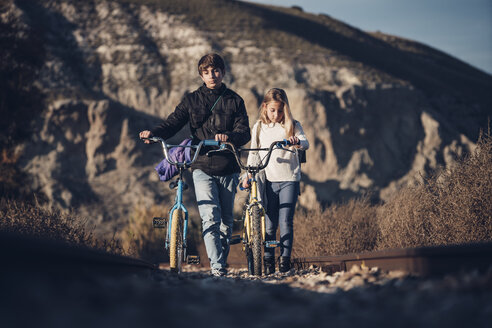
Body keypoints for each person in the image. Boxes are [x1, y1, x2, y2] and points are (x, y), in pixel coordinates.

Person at [140, 53, 251, 277]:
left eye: (216, 71)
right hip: (201, 165)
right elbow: (173, 122)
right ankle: (218, 268)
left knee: (226, 222)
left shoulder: (235, 100)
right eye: (207, 72)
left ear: (223, 72)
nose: (212, 75)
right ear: (201, 74)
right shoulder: (192, 100)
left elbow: (244, 131)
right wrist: (154, 133)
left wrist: (229, 137)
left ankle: (220, 261)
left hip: (228, 166)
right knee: (210, 215)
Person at [242, 88, 309, 274]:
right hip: (268, 180)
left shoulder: (292, 125)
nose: (276, 114)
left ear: (285, 109)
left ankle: (285, 260)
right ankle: (269, 259)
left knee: (286, 221)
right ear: (265, 107)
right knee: (270, 224)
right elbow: (254, 153)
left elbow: (305, 143)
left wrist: (296, 141)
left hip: (290, 179)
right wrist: (249, 174)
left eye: (280, 111)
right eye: (273, 110)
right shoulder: (259, 127)